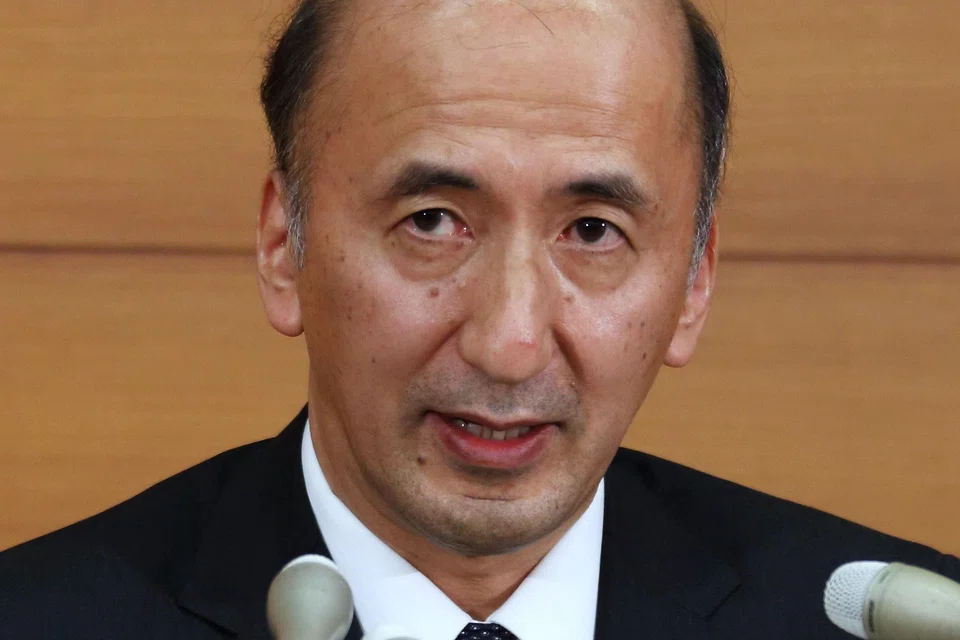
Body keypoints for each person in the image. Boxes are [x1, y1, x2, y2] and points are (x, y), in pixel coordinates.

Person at [0, 0, 957, 638]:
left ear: (694, 283)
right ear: (285, 244)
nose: (509, 344)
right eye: (432, 223)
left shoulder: (884, 622)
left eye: (594, 231)